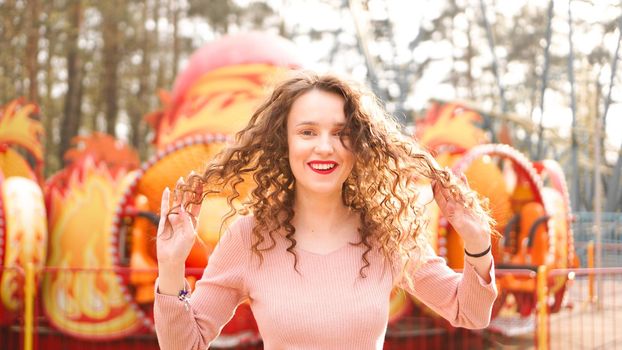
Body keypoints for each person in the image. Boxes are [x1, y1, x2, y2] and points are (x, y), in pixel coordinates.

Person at [154, 71, 498, 350]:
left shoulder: (387, 233)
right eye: (307, 132)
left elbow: (470, 312)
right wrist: (171, 266)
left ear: (359, 142)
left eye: (340, 133)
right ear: (284, 142)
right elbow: (185, 344)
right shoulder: (248, 237)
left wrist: (477, 241)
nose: (324, 147)